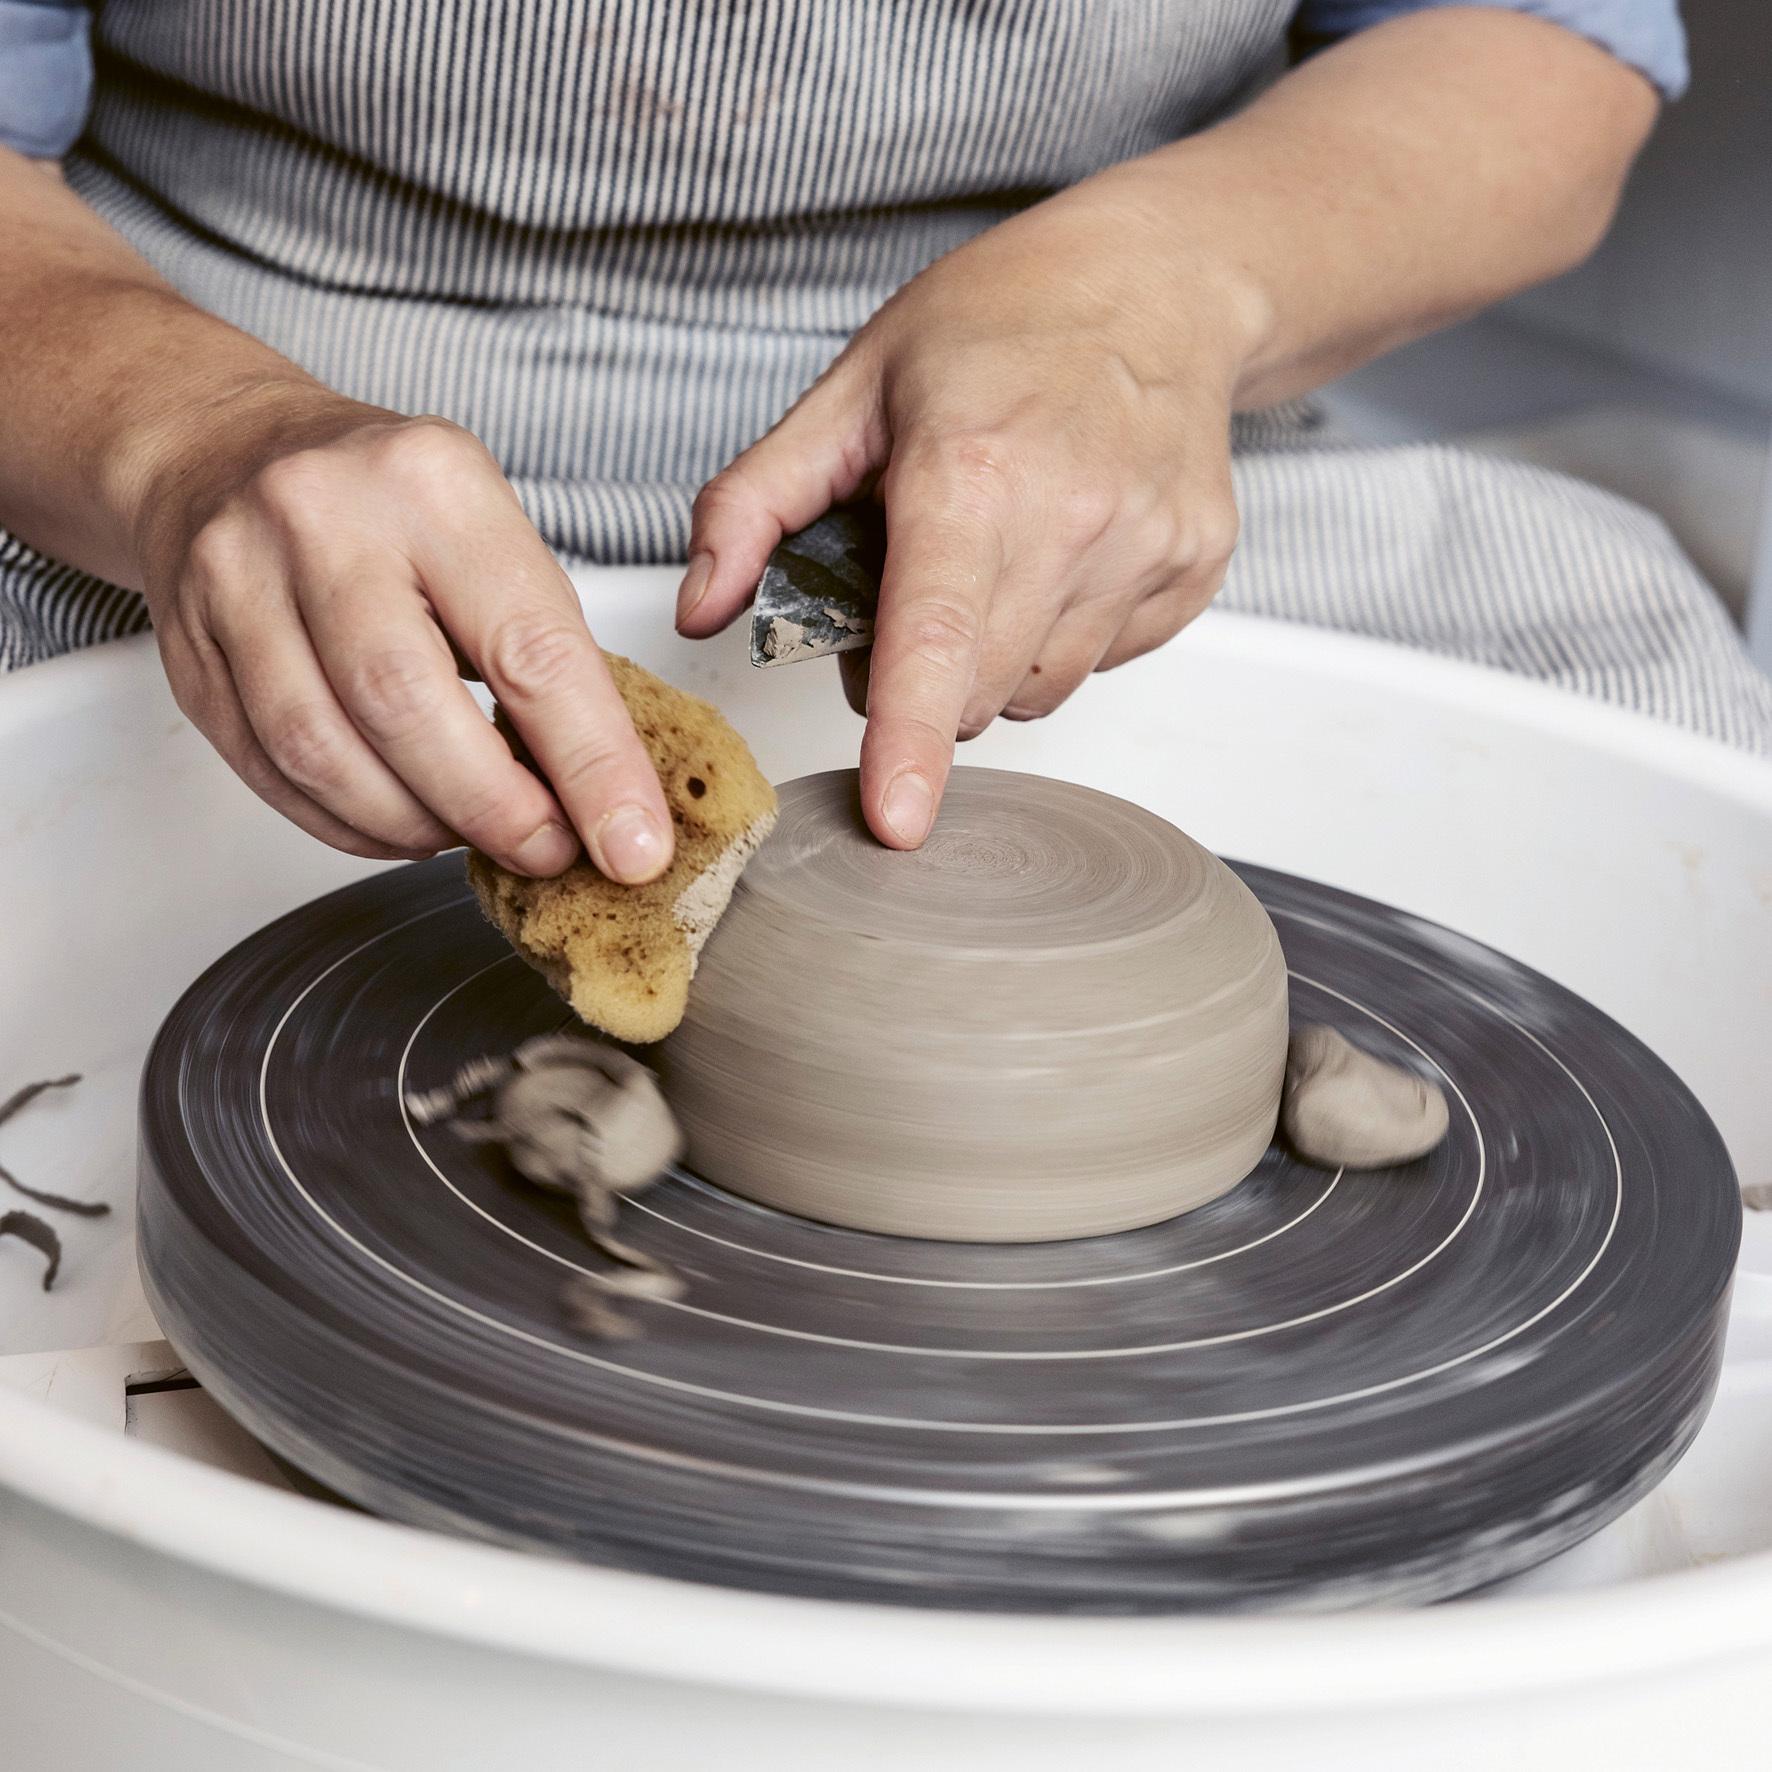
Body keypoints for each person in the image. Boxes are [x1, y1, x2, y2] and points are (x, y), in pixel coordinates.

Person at [0, 1, 1763, 889]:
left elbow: (1538, 65)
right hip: (223, 383)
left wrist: (1160, 288)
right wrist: (193, 438)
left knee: (1664, 811)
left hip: (1101, 378)